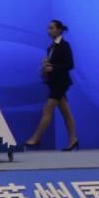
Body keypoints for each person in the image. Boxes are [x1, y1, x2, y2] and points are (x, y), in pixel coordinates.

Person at [24, 19, 79, 152]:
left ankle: (35, 138)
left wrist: (53, 68)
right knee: (66, 113)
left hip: (61, 82)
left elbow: (69, 65)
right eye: (48, 28)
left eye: (52, 28)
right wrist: (45, 67)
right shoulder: (51, 47)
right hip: (54, 83)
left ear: (59, 30)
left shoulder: (64, 45)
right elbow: (53, 65)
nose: (49, 31)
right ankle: (73, 140)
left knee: (47, 110)